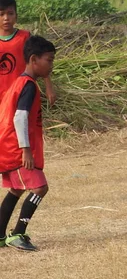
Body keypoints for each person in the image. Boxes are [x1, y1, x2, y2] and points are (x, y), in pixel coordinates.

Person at [0, 36, 56, 251]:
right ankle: (18, 234)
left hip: (9, 146)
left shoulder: (22, 82)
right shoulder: (28, 86)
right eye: (49, 60)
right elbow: (20, 118)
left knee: (16, 189)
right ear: (34, 59)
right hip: (17, 149)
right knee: (40, 188)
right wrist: (26, 151)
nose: (51, 65)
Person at [1, 0, 56, 105]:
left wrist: (49, 87)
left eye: (10, 13)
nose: (6, 18)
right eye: (1, 14)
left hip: (21, 92)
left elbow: (42, 62)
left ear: (16, 16)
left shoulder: (25, 37)